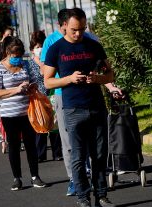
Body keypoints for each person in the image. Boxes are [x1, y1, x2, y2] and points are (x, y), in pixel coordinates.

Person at [40, 8, 123, 197]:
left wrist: (97, 79)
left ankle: (102, 194)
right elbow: (48, 81)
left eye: (82, 29)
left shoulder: (93, 46)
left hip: (96, 106)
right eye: (74, 30)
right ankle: (82, 195)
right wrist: (69, 79)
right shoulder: (55, 48)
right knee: (77, 155)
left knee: (100, 154)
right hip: (72, 107)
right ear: (64, 27)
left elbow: (110, 74)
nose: (78, 34)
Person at [0, 36, 46, 191]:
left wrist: (31, 87)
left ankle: (35, 176)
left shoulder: (26, 65)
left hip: (28, 112)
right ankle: (17, 178)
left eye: (19, 54)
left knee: (31, 145)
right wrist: (16, 89)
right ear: (7, 52)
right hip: (9, 114)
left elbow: (36, 82)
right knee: (14, 145)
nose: (17, 58)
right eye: (14, 55)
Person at [29, 30, 63, 162]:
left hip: (52, 94)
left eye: (42, 46)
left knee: (55, 126)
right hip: (38, 98)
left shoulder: (50, 62)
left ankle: (57, 152)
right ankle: (40, 154)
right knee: (41, 125)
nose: (40, 49)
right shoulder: (30, 64)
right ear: (32, 50)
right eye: (37, 47)